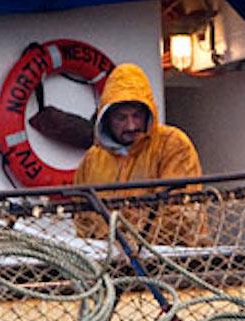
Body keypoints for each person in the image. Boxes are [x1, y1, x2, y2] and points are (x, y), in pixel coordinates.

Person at [74, 63, 205, 243]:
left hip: (174, 257)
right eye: (121, 118)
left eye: (136, 116)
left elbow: (180, 211)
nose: (131, 126)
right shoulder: (92, 159)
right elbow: (82, 216)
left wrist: (133, 244)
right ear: (106, 119)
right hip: (109, 261)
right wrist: (108, 245)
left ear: (148, 112)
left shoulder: (173, 144)